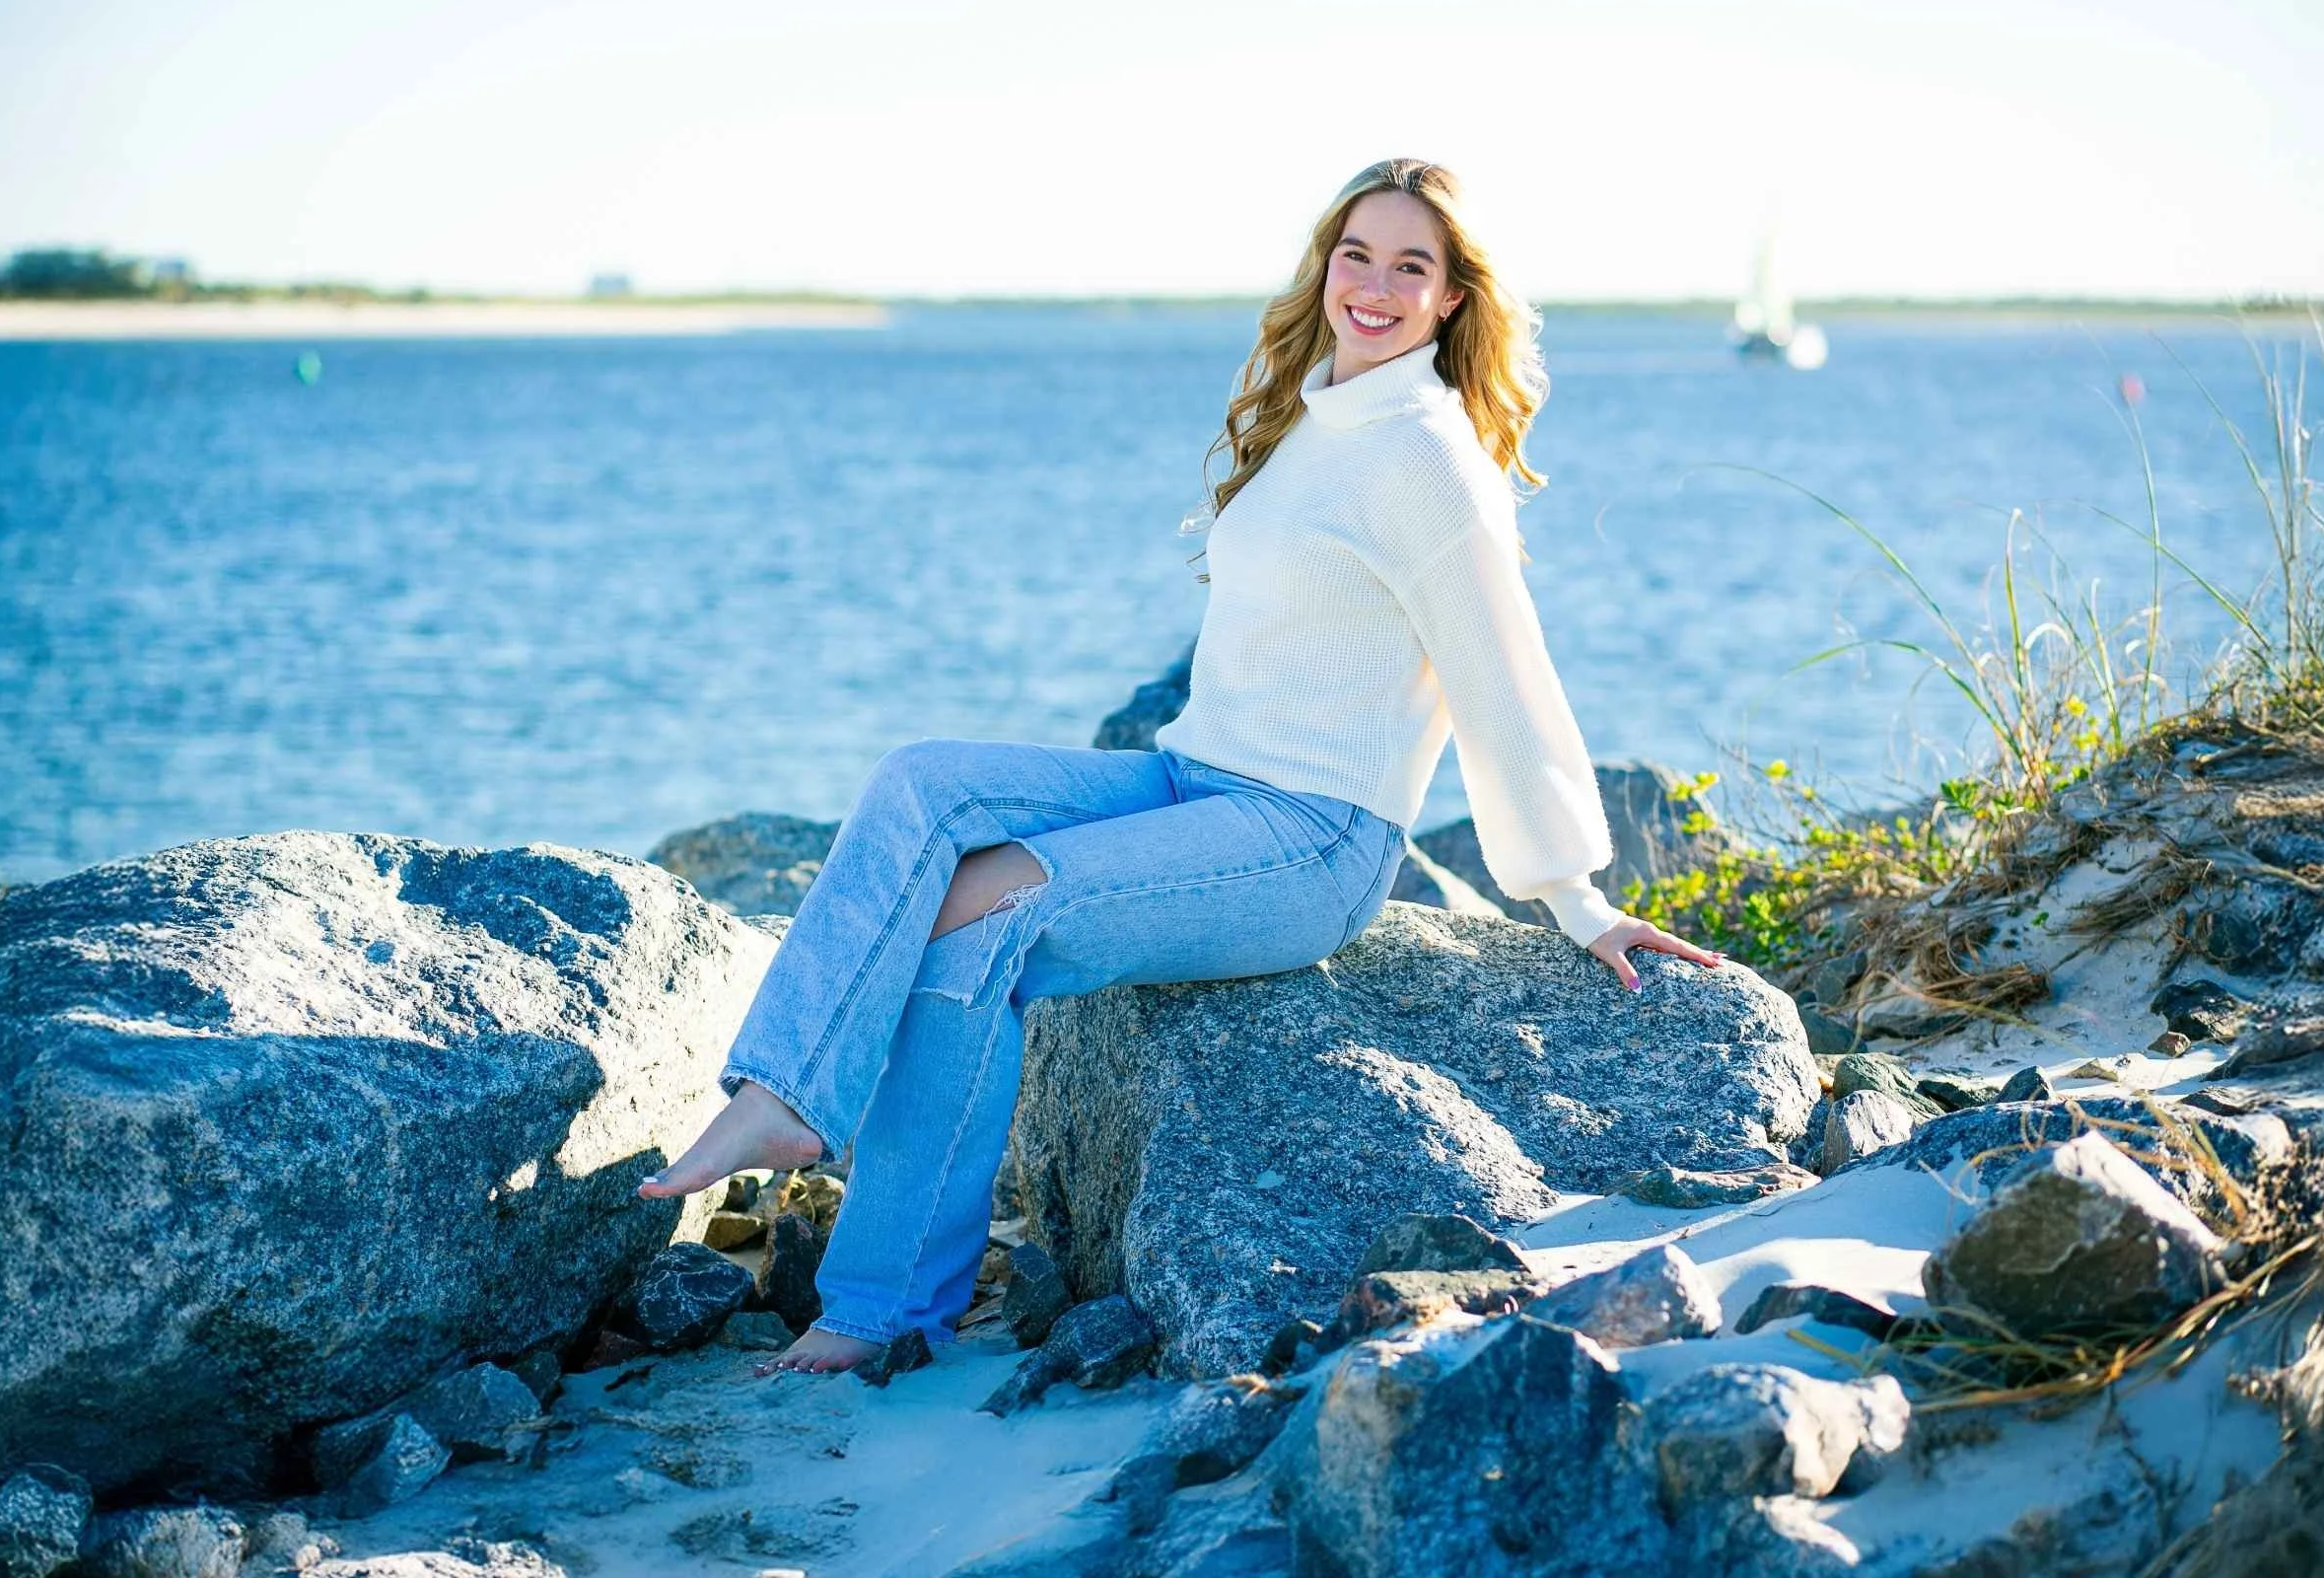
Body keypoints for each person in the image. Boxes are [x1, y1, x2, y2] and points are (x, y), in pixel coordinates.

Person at [638, 158, 1719, 1374]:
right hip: (1192, 775)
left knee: (980, 919)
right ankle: (786, 1095)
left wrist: (1575, 896)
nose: (1373, 285)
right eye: (1355, 254)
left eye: (1410, 265)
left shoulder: (1427, 456)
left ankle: (881, 1306)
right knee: (921, 782)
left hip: (1310, 837)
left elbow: (1504, 681)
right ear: (1325, 265)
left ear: (1453, 299)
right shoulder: (1318, 413)